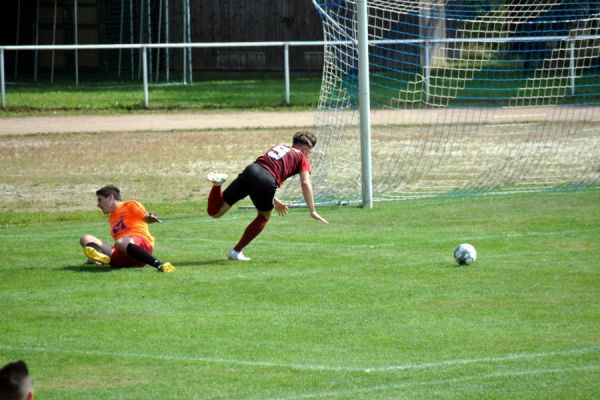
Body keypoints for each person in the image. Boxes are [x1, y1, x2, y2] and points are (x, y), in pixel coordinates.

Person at [206, 130, 328, 261]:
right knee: (263, 216)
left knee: (216, 212)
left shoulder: (278, 147)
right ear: (305, 147)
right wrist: (312, 210)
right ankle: (236, 252)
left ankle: (217, 185)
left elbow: (263, 172)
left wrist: (275, 200)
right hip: (266, 180)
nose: (309, 155)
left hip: (251, 170)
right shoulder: (302, 157)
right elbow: (305, 182)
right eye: (309, 151)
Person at [79, 185, 175, 272]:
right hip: (123, 255)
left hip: (141, 248)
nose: (98, 205)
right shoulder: (112, 217)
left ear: (111, 197)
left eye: (100, 200)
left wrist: (150, 219)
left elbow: (145, 217)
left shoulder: (130, 205)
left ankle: (160, 265)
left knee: (120, 242)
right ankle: (98, 259)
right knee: (85, 238)